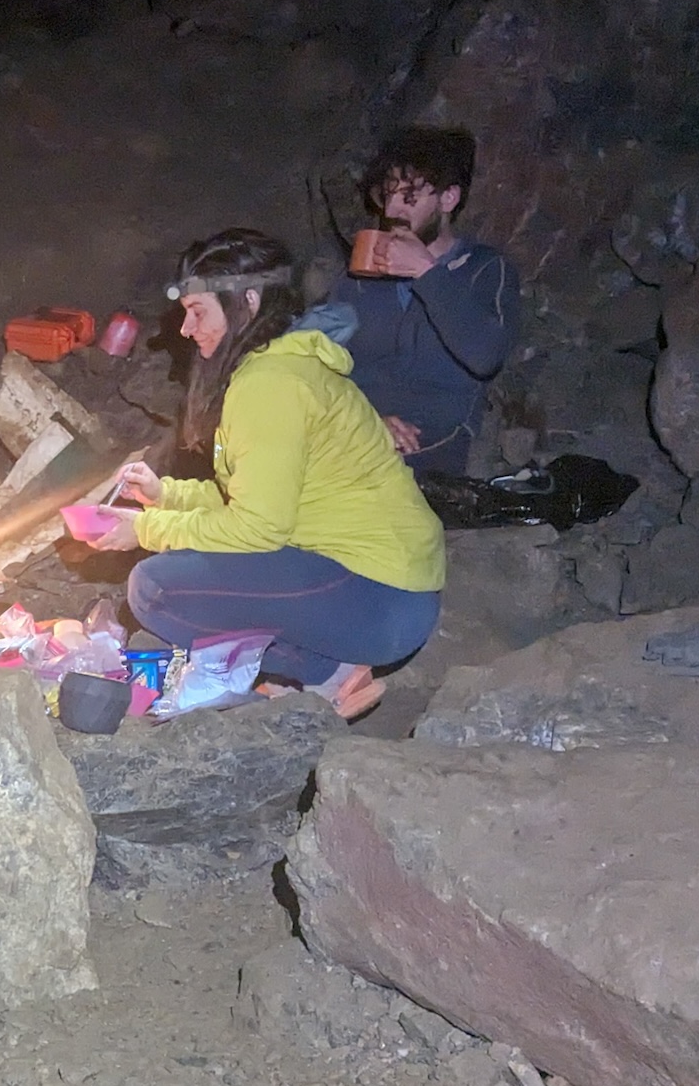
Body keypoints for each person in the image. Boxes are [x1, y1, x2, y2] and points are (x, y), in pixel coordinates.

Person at [82, 230, 445, 720]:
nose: (187, 329)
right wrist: (164, 496)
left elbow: (258, 528)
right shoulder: (278, 370)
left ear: (247, 302)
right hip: (385, 587)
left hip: (378, 598)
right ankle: (314, 667)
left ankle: (324, 673)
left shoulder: (269, 386)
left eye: (199, 311)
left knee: (154, 588)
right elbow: (254, 500)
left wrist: (144, 530)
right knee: (189, 553)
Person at [327, 126, 519, 475]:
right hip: (359, 422)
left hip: (430, 437)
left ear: (448, 199)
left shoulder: (484, 270)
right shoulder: (363, 273)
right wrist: (362, 419)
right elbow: (316, 355)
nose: (392, 209)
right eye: (388, 195)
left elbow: (485, 357)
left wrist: (427, 274)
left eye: (409, 197)